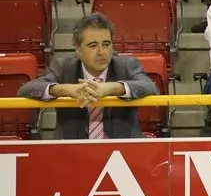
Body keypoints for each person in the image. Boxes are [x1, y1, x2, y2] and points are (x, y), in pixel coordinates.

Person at [17, 13, 158, 139]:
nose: (101, 52)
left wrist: (113, 88)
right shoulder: (63, 68)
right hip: (73, 151)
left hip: (122, 149)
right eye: (93, 45)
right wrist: (64, 90)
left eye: (106, 44)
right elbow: (26, 90)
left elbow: (150, 87)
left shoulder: (127, 65)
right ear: (78, 49)